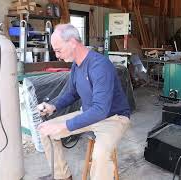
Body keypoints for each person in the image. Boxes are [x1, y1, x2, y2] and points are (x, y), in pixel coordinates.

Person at [37, 23, 131, 180]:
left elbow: (100, 110)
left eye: (59, 50)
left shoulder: (100, 66)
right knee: (45, 130)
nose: (58, 56)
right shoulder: (76, 65)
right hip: (88, 113)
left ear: (73, 42)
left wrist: (64, 126)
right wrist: (53, 106)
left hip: (113, 118)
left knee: (100, 156)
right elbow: (72, 93)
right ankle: (63, 176)